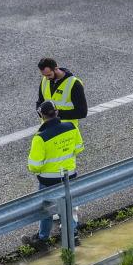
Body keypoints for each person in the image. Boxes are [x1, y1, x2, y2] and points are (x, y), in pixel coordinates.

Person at [26, 106, 83, 247]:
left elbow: (34, 166)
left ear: (41, 115)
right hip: (70, 176)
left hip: (48, 181)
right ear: (57, 112)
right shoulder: (71, 127)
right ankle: (73, 234)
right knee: (68, 206)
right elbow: (79, 148)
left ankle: (42, 238)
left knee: (46, 209)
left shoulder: (40, 138)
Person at [37, 57, 87, 123]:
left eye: (49, 75)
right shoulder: (45, 80)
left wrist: (54, 115)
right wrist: (40, 112)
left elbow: (82, 112)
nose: (47, 78)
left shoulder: (74, 84)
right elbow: (40, 101)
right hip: (47, 126)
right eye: (44, 75)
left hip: (67, 127)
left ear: (56, 69)